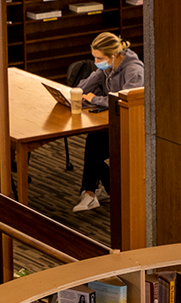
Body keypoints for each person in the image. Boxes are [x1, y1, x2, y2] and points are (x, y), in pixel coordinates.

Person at [72, 33, 144, 213]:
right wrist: (95, 77)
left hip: (133, 126)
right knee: (94, 143)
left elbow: (124, 101)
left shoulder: (134, 71)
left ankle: (90, 193)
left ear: (113, 55)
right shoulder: (108, 67)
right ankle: (96, 191)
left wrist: (95, 99)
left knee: (94, 145)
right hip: (113, 121)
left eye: (99, 58)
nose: (96, 62)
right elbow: (82, 88)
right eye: (94, 57)